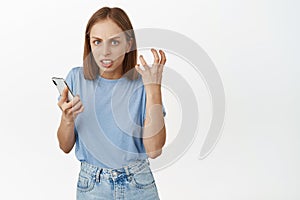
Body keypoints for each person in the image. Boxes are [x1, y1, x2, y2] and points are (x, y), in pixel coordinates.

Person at [56, 7, 167, 200]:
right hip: (92, 186)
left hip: (138, 184)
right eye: (97, 42)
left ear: (128, 44)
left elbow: (155, 150)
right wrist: (67, 119)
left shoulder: (142, 82)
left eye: (115, 42)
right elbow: (65, 146)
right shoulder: (76, 79)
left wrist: (153, 88)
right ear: (89, 43)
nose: (105, 52)